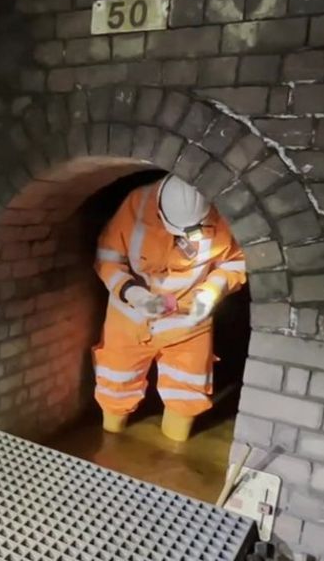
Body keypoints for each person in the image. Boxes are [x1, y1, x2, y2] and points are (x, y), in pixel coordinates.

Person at [91, 174, 246, 442]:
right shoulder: (136, 205)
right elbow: (107, 257)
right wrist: (132, 292)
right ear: (160, 210)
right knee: (116, 383)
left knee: (186, 392)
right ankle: (110, 440)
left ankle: (175, 445)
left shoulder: (219, 214)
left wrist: (210, 294)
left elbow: (234, 263)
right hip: (131, 316)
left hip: (188, 321)